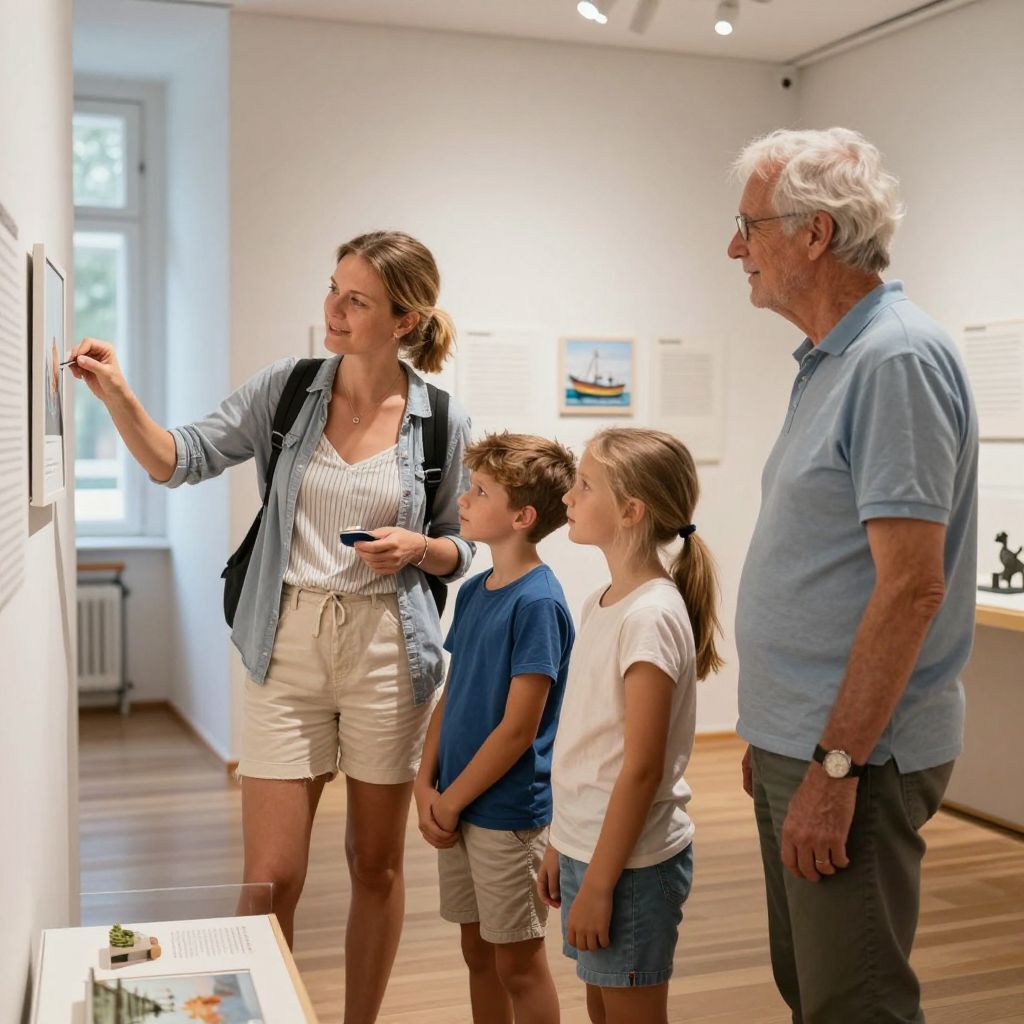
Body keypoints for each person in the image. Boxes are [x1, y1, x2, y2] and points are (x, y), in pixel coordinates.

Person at [68, 230, 474, 1024]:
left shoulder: (441, 422)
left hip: (388, 651)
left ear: (404, 321)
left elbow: (466, 544)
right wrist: (116, 392)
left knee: (375, 868)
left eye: (356, 300)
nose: (333, 309)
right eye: (333, 288)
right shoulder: (287, 391)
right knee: (270, 878)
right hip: (286, 642)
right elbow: (176, 459)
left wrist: (421, 547)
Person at [728, 128, 979, 1024]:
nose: (734, 249)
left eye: (748, 226)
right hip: (806, 738)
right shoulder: (834, 359)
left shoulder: (894, 360)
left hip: (856, 755)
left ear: (815, 234)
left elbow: (911, 587)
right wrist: (775, 729)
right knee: (813, 988)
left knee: (855, 1003)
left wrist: (834, 764)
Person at [539, 427, 723, 1024]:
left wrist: (599, 883)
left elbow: (641, 768)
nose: (568, 496)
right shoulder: (601, 601)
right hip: (590, 850)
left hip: (629, 866)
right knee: (602, 1006)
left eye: (584, 485)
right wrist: (561, 841)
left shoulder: (649, 616)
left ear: (630, 511)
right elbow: (589, 742)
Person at [415, 432, 577, 1024]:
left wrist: (451, 800)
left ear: (522, 517)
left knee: (518, 965)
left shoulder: (539, 603)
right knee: (477, 954)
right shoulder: (475, 591)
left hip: (505, 814)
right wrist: (425, 783)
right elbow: (452, 693)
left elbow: (517, 730)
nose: (463, 498)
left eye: (480, 491)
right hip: (455, 802)